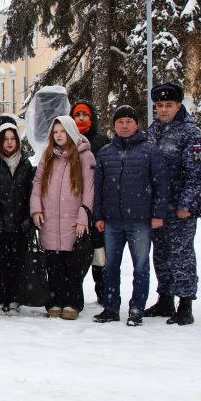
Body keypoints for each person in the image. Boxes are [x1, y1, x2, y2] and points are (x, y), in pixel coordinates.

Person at [92, 106, 169, 326]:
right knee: (110, 266)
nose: (124, 126)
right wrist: (98, 216)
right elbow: (99, 187)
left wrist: (158, 214)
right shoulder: (105, 152)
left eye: (128, 122)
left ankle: (137, 308)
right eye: (120, 122)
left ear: (136, 125)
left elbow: (161, 185)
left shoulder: (150, 151)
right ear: (114, 126)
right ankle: (110, 307)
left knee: (141, 266)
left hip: (140, 221)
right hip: (112, 221)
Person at [144, 83, 201, 326]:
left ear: (179, 105)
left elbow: (197, 174)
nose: (163, 110)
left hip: (179, 207)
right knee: (161, 254)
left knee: (181, 254)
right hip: (158, 208)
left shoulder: (190, 134)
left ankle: (185, 304)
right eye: (159, 105)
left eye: (168, 105)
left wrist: (186, 204)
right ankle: (165, 299)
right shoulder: (154, 130)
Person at [29, 116, 95, 320]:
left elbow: (89, 188)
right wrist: (36, 208)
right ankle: (54, 301)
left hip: (73, 218)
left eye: (62, 131)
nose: (58, 135)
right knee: (53, 262)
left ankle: (72, 302)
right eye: (55, 132)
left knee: (72, 264)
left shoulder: (84, 156)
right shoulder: (48, 155)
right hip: (50, 218)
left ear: (71, 132)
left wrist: (84, 214)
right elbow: (38, 183)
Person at [0, 121, 36, 315]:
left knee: (16, 263)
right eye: (5, 139)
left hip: (19, 225)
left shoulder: (25, 164)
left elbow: (30, 194)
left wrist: (27, 221)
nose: (9, 142)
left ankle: (14, 299)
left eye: (13, 138)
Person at [71, 100, 108, 302]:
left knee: (99, 253)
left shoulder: (102, 142)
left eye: (85, 115)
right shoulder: (67, 141)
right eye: (77, 115)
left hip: (98, 206)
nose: (81, 119)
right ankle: (73, 293)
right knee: (75, 253)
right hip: (73, 206)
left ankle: (103, 292)